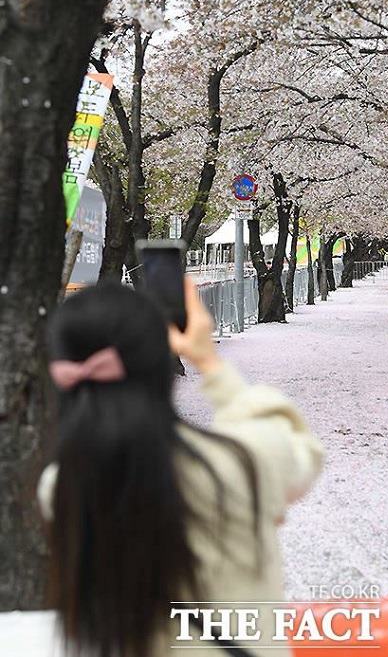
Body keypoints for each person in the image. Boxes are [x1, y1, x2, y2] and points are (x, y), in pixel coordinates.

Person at [38, 278, 325, 657]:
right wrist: (210, 362)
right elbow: (300, 451)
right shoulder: (241, 464)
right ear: (159, 369)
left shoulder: (60, 488)